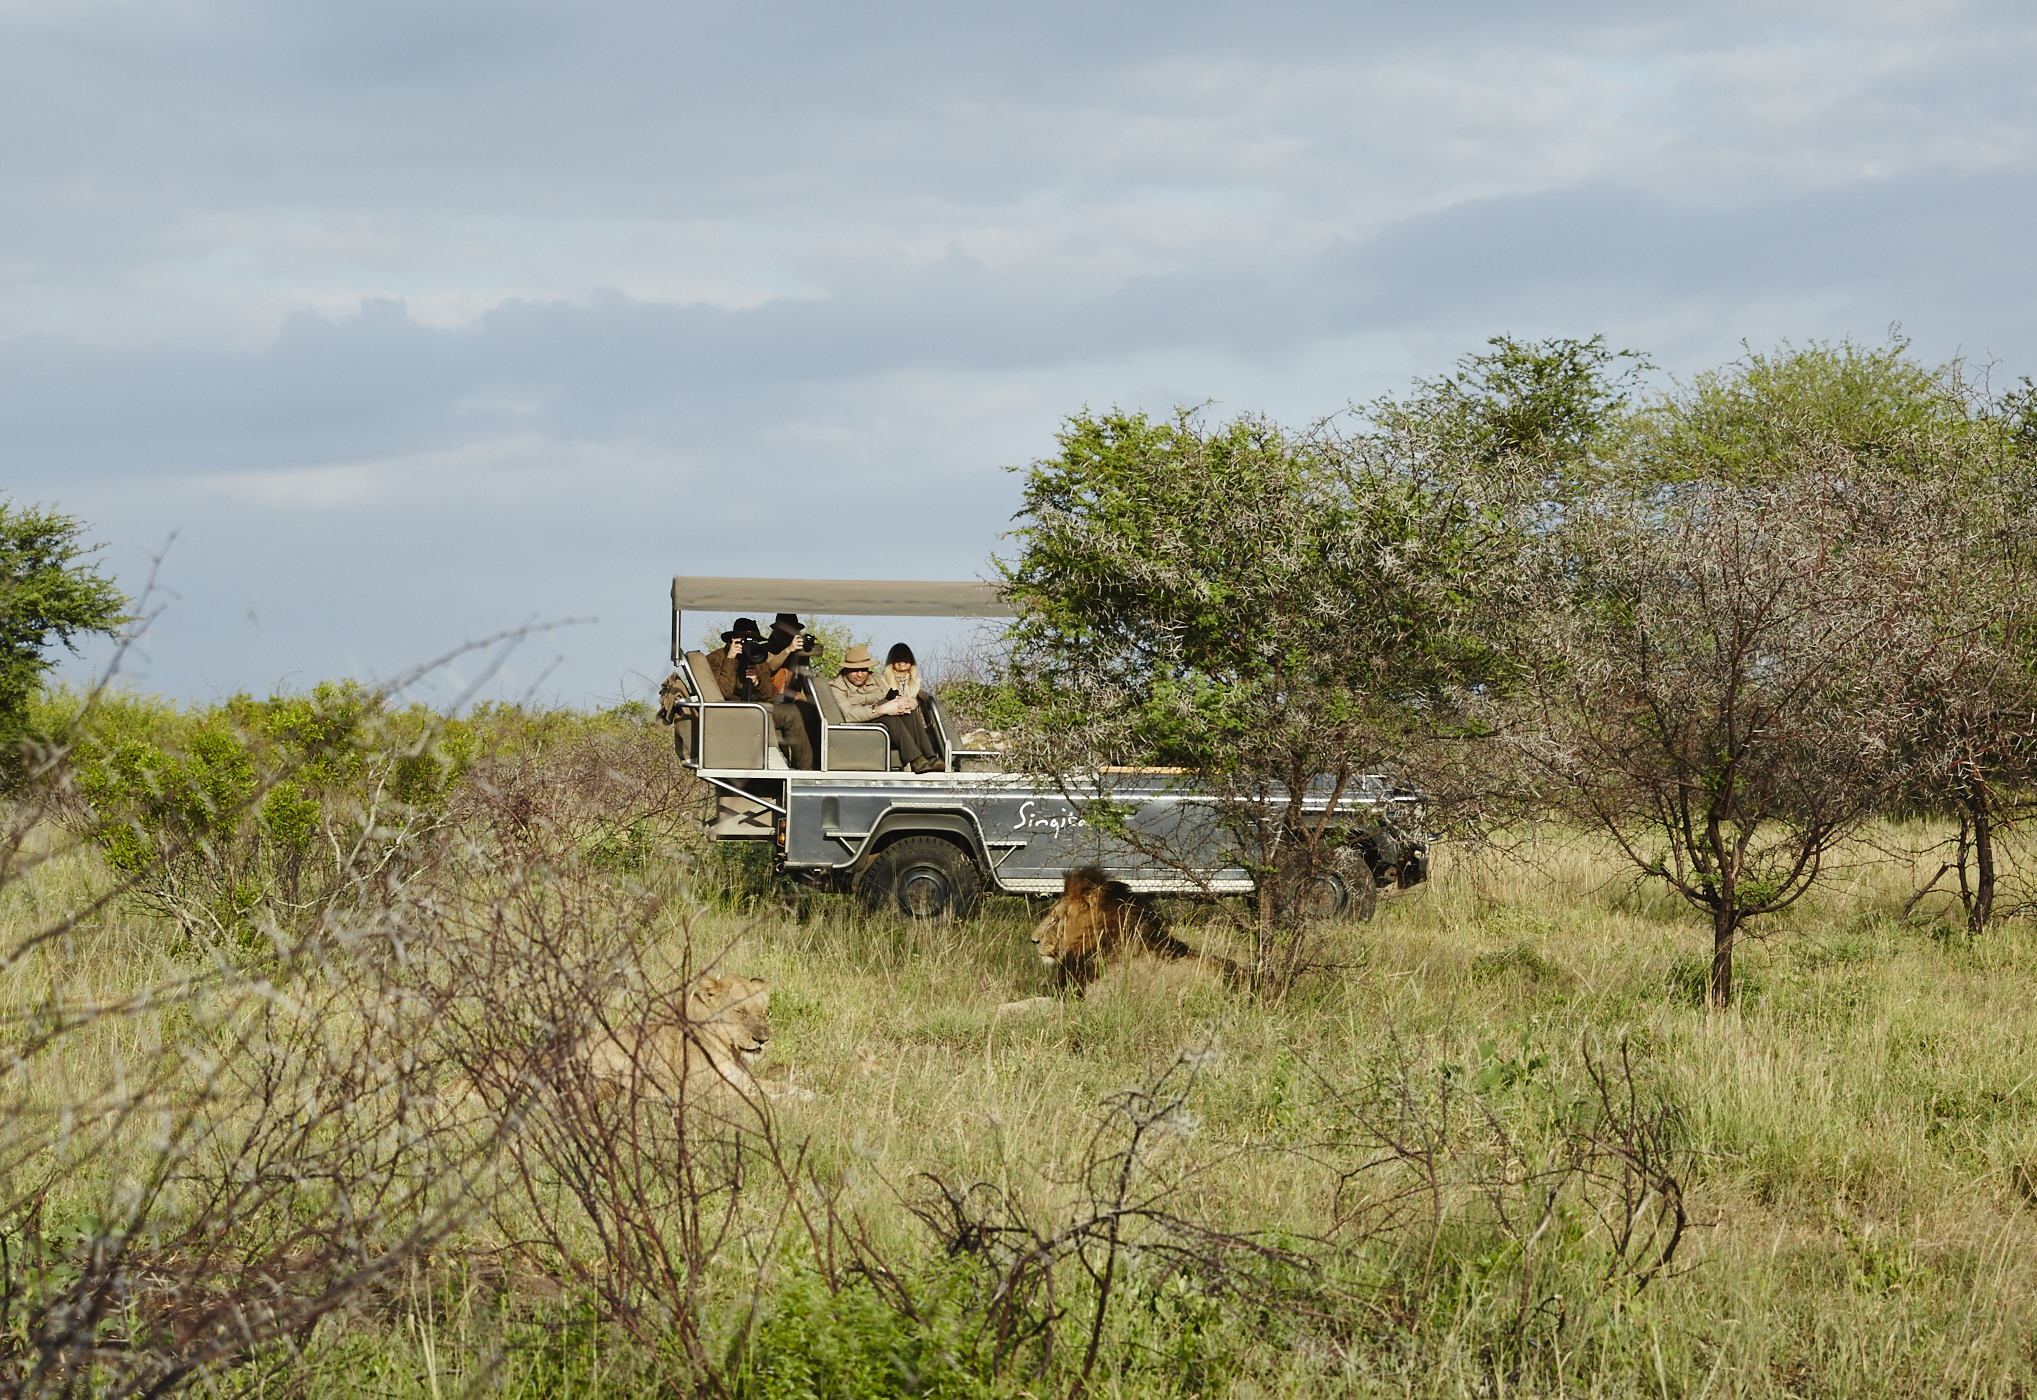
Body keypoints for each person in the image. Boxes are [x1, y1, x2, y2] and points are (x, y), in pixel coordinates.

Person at [708, 617, 814, 769]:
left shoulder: (757, 656)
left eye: (754, 641)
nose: (749, 645)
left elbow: (770, 696)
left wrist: (757, 681)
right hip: (732, 712)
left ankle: (804, 769)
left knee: (794, 712)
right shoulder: (716, 658)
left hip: (759, 709)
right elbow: (724, 693)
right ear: (733, 640)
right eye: (745, 641)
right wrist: (730, 659)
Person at [830, 644, 944, 772]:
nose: (860, 674)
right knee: (887, 717)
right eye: (855, 670)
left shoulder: (876, 679)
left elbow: (891, 696)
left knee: (906, 710)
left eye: (863, 669)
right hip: (860, 729)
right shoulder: (836, 687)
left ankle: (930, 756)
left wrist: (909, 702)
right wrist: (881, 710)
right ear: (846, 669)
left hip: (884, 727)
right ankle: (915, 759)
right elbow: (848, 715)